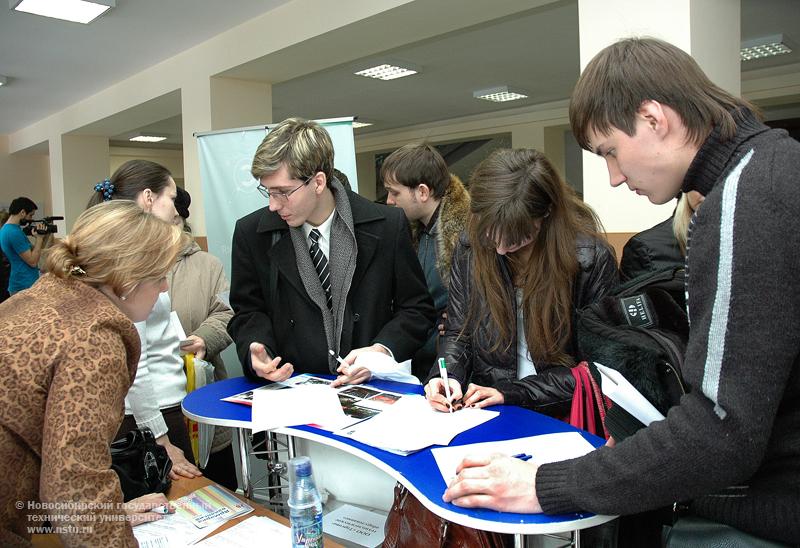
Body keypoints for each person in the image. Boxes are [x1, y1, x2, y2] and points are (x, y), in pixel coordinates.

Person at [443, 37, 800, 546]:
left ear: (654, 118)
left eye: (611, 152)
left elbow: (722, 431)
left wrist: (547, 485)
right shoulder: (769, 169)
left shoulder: (749, 196)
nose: (612, 177)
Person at [0, 201, 183, 546]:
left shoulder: (45, 294)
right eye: (159, 276)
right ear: (125, 280)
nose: (163, 289)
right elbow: (75, 486)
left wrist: (108, 513)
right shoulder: (95, 338)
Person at [228, 117, 435, 387]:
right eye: (267, 191)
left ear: (318, 182)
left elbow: (416, 309)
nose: (272, 205)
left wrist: (381, 352)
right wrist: (256, 347)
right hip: (292, 390)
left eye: (283, 192)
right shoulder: (251, 233)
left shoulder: (387, 226)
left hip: (371, 390)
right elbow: (247, 311)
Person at [424, 148, 618, 414]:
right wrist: (447, 377)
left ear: (546, 214)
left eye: (517, 238)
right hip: (489, 409)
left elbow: (598, 369)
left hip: (562, 414)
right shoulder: (470, 248)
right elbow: (460, 330)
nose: (502, 249)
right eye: (492, 235)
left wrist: (513, 393)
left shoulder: (590, 259)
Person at [88, 160, 203, 481]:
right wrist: (160, 438)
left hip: (151, 410)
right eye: (171, 197)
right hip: (150, 414)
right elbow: (132, 364)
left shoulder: (123, 252)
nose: (176, 210)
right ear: (149, 198)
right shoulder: (129, 260)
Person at [381, 143, 471, 380]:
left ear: (422, 192)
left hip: (453, 369)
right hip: (420, 362)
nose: (389, 200)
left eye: (395, 192)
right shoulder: (412, 231)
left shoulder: (467, 237)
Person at [168, 186, 237, 491]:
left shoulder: (207, 265)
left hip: (201, 389)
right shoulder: (127, 264)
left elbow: (227, 312)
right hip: (149, 402)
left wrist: (203, 339)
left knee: (215, 487)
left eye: (173, 221)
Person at [0, 197, 50, 294]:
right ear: (22, 212)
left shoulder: (7, 229)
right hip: (23, 284)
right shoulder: (14, 232)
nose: (31, 219)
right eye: (30, 215)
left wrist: (39, 238)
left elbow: (32, 251)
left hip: (21, 283)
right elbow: (33, 261)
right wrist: (39, 238)